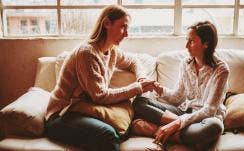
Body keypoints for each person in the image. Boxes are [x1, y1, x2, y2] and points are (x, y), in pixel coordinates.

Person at [44, 5, 155, 151]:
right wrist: (137, 88)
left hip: (86, 109)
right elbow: (100, 96)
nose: (126, 34)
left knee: (122, 127)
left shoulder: (111, 51)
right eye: (123, 27)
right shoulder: (87, 53)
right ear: (107, 23)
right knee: (108, 134)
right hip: (62, 115)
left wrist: (141, 77)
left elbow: (133, 61)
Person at [132, 21, 230, 150]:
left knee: (215, 127)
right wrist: (158, 89)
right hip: (184, 112)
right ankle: (179, 134)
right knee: (139, 102)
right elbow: (177, 97)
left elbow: (209, 111)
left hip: (205, 119)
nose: (186, 46)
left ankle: (156, 131)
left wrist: (178, 123)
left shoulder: (221, 70)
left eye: (192, 41)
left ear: (206, 43)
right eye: (187, 40)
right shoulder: (185, 63)